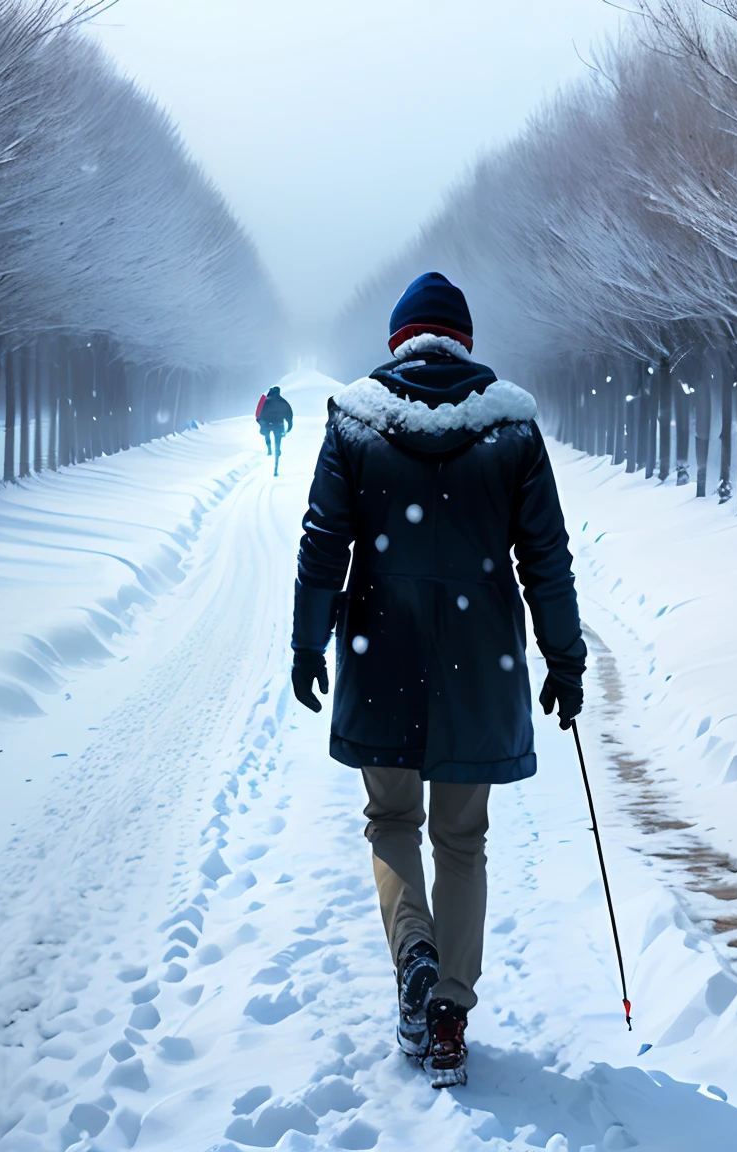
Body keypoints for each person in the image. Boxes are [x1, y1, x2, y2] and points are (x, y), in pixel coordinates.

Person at [288, 272, 585, 1088]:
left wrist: (308, 644)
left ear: (396, 343)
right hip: (478, 670)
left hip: (380, 654)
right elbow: (546, 561)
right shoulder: (513, 429)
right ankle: (449, 1012)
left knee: (390, 822)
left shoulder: (355, 423)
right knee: (462, 840)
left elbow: (323, 544)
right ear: (466, 343)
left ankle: (412, 949)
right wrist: (565, 659)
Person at [256, 385, 293, 475]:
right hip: (279, 425)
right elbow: (289, 415)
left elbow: (260, 414)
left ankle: (269, 447)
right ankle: (276, 466)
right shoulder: (282, 401)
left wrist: (261, 423)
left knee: (267, 435)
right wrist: (289, 426)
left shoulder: (266, 401)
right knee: (277, 442)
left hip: (267, 425)